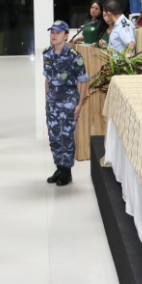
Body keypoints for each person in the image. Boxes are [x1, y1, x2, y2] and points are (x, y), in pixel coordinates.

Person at [43, 21, 89, 187]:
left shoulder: (74, 57)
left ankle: (67, 172)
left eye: (58, 32)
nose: (54, 35)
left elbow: (83, 81)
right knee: (54, 137)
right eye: (52, 32)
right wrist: (46, 100)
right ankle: (59, 167)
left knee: (66, 137)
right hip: (52, 102)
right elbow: (47, 80)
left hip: (68, 101)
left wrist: (79, 105)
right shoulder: (47, 54)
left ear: (66, 35)